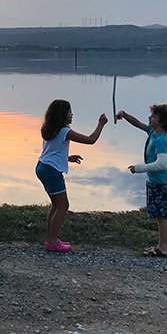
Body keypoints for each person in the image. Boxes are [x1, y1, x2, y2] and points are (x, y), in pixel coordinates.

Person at [35, 99, 108, 252]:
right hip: (51, 171)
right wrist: (101, 123)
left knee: (56, 205)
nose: (72, 115)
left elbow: (52, 151)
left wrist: (67, 158)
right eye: (69, 112)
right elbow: (90, 140)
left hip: (42, 167)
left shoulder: (48, 129)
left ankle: (50, 239)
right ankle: (52, 242)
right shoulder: (64, 131)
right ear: (63, 115)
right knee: (63, 205)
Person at [116, 104, 167, 257]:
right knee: (159, 214)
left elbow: (162, 163)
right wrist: (124, 115)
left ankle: (164, 248)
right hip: (154, 181)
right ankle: (163, 245)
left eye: (154, 116)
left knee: (162, 215)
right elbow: (138, 123)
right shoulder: (153, 132)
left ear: (162, 122)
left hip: (161, 183)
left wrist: (139, 168)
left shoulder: (161, 140)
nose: (150, 117)